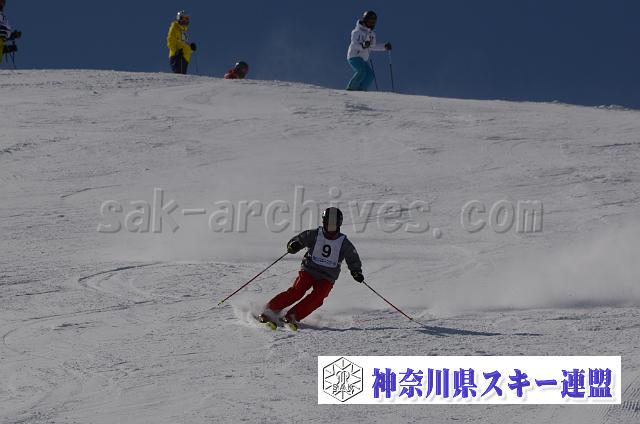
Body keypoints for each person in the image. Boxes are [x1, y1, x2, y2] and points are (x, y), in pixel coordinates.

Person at [259, 207, 364, 330]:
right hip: (309, 270)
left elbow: (353, 257)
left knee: (318, 298)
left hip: (327, 277)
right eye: (328, 224)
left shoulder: (344, 242)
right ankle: (269, 311)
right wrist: (294, 245)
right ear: (324, 222)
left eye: (333, 224)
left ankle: (292, 316)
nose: (330, 227)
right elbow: (298, 240)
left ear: (339, 224)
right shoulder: (315, 234)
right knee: (297, 291)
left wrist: (356, 271)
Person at [346, 11, 391, 91]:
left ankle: (361, 90)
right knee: (362, 72)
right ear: (365, 20)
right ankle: (351, 89)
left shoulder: (372, 34)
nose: (371, 24)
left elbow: (372, 47)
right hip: (354, 56)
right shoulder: (357, 31)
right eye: (370, 21)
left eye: (373, 22)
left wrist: (384, 47)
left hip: (363, 59)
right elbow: (353, 45)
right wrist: (363, 46)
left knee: (370, 75)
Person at [167, 10, 197, 74]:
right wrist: (175, 52)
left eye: (187, 19)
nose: (185, 21)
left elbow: (183, 44)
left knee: (182, 74)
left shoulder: (184, 31)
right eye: (184, 18)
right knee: (179, 74)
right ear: (179, 18)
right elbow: (171, 40)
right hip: (177, 56)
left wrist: (191, 48)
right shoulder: (175, 27)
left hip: (185, 57)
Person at [0, 0, 21, 65]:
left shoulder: (3, 16)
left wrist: (13, 36)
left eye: (3, 2)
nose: (3, 4)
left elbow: (5, 32)